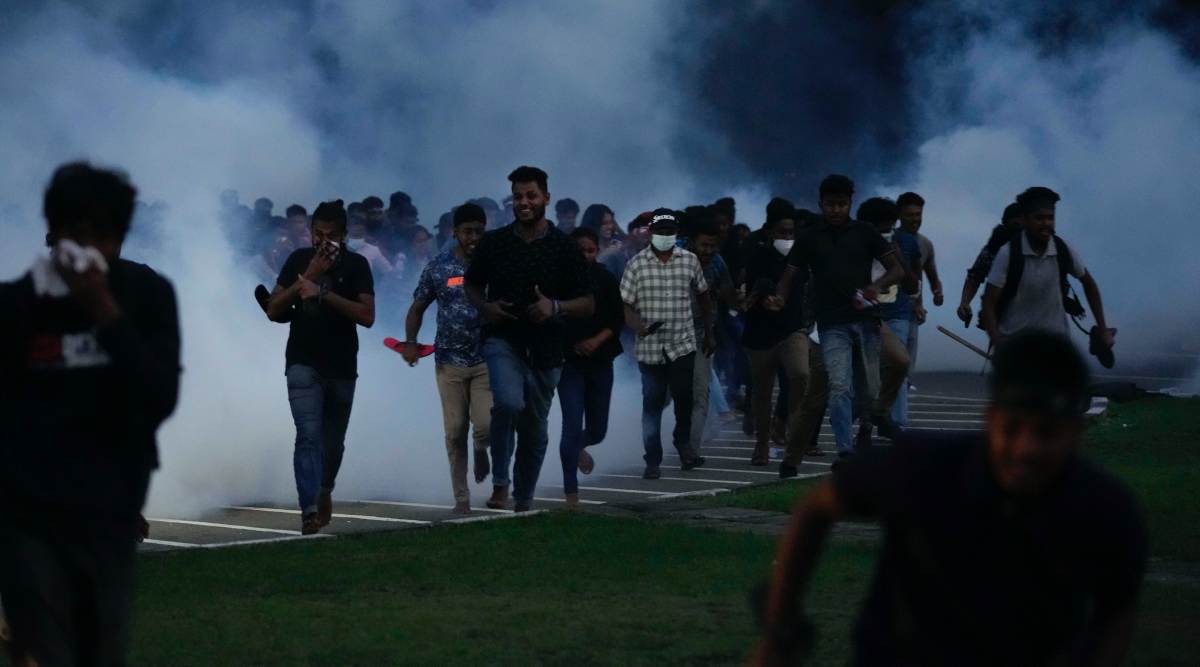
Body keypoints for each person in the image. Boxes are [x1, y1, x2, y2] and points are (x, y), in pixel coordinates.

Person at [753, 331, 1147, 666]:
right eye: (1012, 429)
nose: (1026, 449)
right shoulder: (923, 469)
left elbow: (1117, 613)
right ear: (990, 419)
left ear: (1076, 431)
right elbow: (817, 507)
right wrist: (779, 628)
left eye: (1046, 433)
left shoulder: (1105, 511)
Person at [0, 162, 181, 666]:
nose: (90, 249)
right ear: (52, 235)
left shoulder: (147, 294)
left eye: (103, 235)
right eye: (76, 234)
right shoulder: (17, 306)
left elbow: (157, 396)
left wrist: (103, 309)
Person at [464, 166, 593, 512]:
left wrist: (555, 306)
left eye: (531, 196)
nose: (524, 202)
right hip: (503, 338)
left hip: (548, 347)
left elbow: (587, 302)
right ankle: (501, 483)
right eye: (518, 196)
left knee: (535, 429)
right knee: (508, 402)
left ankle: (524, 498)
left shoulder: (564, 247)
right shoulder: (495, 243)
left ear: (546, 198)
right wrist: (487, 308)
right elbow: (471, 284)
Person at [768, 175, 903, 461]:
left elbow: (896, 269)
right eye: (831, 204)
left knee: (870, 391)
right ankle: (845, 451)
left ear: (850, 202)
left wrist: (875, 287)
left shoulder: (865, 232)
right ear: (821, 204)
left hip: (867, 321)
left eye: (842, 204)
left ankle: (855, 423)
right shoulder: (810, 236)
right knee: (840, 387)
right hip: (831, 324)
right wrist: (780, 297)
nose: (836, 210)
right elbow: (790, 273)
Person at [266, 200, 375, 534]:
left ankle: (324, 489)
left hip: (341, 366)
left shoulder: (356, 265)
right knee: (308, 435)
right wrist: (309, 276)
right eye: (318, 233)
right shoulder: (298, 260)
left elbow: (367, 316)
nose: (323, 241)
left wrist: (323, 294)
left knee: (333, 443)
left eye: (331, 235)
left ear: (343, 235)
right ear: (311, 232)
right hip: (302, 362)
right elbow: (273, 308)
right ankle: (309, 509)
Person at [403, 203, 491, 513]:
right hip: (449, 361)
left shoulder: (493, 264)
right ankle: (461, 498)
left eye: (478, 231)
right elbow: (417, 308)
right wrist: (411, 342)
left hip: (485, 359)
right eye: (467, 231)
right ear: (455, 232)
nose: (473, 238)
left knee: (485, 425)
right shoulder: (438, 266)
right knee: (455, 431)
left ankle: (481, 449)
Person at [620, 209, 713, 479]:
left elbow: (704, 296)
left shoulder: (689, 260)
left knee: (684, 395)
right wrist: (638, 326)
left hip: (682, 342)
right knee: (653, 402)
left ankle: (683, 444)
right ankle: (652, 459)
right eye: (660, 232)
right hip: (650, 347)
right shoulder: (636, 265)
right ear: (651, 233)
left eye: (669, 232)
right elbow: (625, 305)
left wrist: (710, 332)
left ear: (676, 233)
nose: (665, 236)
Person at [981, 187, 1114, 354]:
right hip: (1016, 347)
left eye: (1050, 218)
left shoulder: (1062, 249)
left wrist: (1102, 328)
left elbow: (1088, 283)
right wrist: (997, 341)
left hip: (1056, 345)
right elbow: (989, 302)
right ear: (1024, 220)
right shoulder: (1008, 254)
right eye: (1039, 218)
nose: (1046, 223)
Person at [558, 226, 624, 507]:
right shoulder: (558, 280)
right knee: (572, 425)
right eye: (579, 251)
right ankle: (570, 492)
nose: (585, 255)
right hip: (569, 364)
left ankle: (578, 448)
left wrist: (595, 342)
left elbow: (617, 320)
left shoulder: (605, 278)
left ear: (597, 251)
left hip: (600, 361)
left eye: (590, 250)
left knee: (597, 430)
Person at [742, 205, 811, 473]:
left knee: (801, 375)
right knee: (762, 392)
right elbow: (751, 289)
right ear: (770, 232)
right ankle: (762, 442)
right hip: (760, 333)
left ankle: (790, 430)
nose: (787, 237)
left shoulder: (801, 257)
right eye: (782, 232)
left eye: (791, 232)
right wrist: (762, 299)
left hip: (792, 329)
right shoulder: (757, 256)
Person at [860, 197, 920, 436]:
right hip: (859, 317)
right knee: (867, 378)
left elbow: (913, 285)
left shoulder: (903, 242)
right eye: (882, 228)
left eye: (891, 227)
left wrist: (896, 255)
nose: (887, 232)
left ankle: (885, 415)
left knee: (899, 363)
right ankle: (864, 426)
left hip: (893, 315)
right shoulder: (853, 244)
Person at [687, 219, 737, 458]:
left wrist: (739, 298)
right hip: (671, 333)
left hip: (701, 332)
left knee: (700, 392)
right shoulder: (676, 261)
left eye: (712, 246)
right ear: (692, 242)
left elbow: (728, 293)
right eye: (703, 245)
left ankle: (692, 450)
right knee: (665, 395)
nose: (708, 251)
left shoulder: (718, 263)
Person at [895, 192, 942, 375]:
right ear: (899, 215)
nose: (915, 219)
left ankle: (905, 386)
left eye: (918, 214)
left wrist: (937, 292)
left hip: (912, 311)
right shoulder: (890, 241)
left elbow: (930, 274)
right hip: (889, 310)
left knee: (908, 358)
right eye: (909, 215)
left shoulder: (925, 244)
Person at [957, 201, 1024, 327]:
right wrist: (964, 303)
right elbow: (975, 277)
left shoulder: (1037, 247)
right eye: (1015, 224)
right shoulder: (995, 247)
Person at [346, 205, 395, 276]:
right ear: (347, 227)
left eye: (362, 224)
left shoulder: (373, 250)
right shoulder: (336, 248)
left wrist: (399, 263)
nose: (358, 227)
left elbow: (390, 273)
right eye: (355, 223)